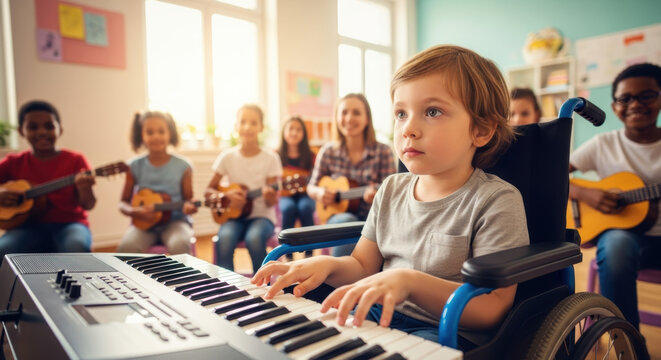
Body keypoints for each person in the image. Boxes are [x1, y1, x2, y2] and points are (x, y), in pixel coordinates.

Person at [252, 45, 529, 346]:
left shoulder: (496, 201)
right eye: (400, 113)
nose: (408, 128)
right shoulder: (391, 189)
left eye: (432, 112)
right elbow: (361, 267)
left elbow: (491, 308)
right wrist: (326, 265)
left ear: (482, 130)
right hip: (376, 314)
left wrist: (410, 282)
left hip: (443, 332)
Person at [569, 62, 661, 330]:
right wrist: (584, 192)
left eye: (646, 95)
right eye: (625, 98)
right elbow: (551, 174)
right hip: (627, 241)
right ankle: (628, 341)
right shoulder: (603, 144)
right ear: (614, 107)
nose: (635, 104)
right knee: (616, 244)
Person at [0, 100, 96, 264]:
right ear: (21, 131)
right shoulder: (13, 162)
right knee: (4, 249)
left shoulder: (76, 160)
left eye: (49, 126)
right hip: (25, 226)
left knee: (77, 246)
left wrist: (84, 188)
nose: (42, 132)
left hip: (70, 224)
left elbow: (88, 204)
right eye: (33, 127)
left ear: (60, 130)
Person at [306, 93, 396, 257]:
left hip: (374, 217)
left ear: (367, 119)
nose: (349, 118)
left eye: (356, 113)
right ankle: (339, 279)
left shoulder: (383, 151)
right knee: (347, 223)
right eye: (344, 112)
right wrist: (319, 193)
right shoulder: (327, 151)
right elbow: (311, 186)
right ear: (337, 118)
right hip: (338, 217)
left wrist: (378, 196)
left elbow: (393, 191)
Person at [205, 104, 283, 273]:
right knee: (224, 238)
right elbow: (208, 193)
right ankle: (226, 285)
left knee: (254, 239)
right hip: (234, 217)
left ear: (261, 127)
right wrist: (228, 194)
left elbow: (271, 201)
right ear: (236, 126)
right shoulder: (226, 157)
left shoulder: (270, 158)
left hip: (262, 216)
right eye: (243, 122)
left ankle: (262, 284)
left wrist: (269, 195)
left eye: (253, 123)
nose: (247, 127)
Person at [117, 111, 197, 254]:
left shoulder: (184, 166)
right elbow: (123, 203)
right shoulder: (133, 166)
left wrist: (190, 206)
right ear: (140, 135)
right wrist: (135, 211)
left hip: (176, 222)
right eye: (150, 132)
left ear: (170, 133)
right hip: (143, 226)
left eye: (161, 131)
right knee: (126, 248)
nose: (156, 136)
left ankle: (179, 277)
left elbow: (189, 199)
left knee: (179, 244)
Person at [277, 116, 316, 259]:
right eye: (290, 128)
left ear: (304, 133)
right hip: (285, 195)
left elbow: (317, 177)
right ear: (284, 132)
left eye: (298, 129)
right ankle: (287, 254)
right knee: (288, 208)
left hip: (306, 194)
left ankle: (309, 252)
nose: (294, 132)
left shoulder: (311, 155)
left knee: (305, 207)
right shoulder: (277, 155)